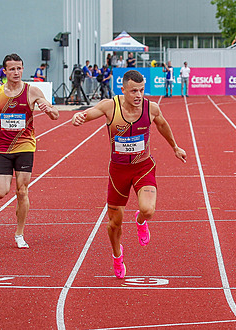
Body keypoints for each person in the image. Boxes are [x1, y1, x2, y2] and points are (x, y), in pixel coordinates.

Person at [72, 70, 186, 278]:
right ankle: (117, 256)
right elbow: (89, 113)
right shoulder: (110, 107)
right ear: (122, 90)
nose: (138, 95)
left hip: (143, 167)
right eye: (134, 91)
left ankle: (140, 220)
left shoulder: (151, 108)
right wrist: (78, 117)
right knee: (114, 223)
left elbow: (162, 125)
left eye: (142, 90)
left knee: (148, 210)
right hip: (118, 171)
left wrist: (175, 147)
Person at [0, 53, 59, 248]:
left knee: (22, 191)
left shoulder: (32, 91)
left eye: (19, 68)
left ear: (23, 69)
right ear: (4, 71)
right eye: (11, 69)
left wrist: (47, 109)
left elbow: (55, 115)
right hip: (3, 148)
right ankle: (17, 210)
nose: (16, 72)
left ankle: (19, 233)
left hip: (25, 146)